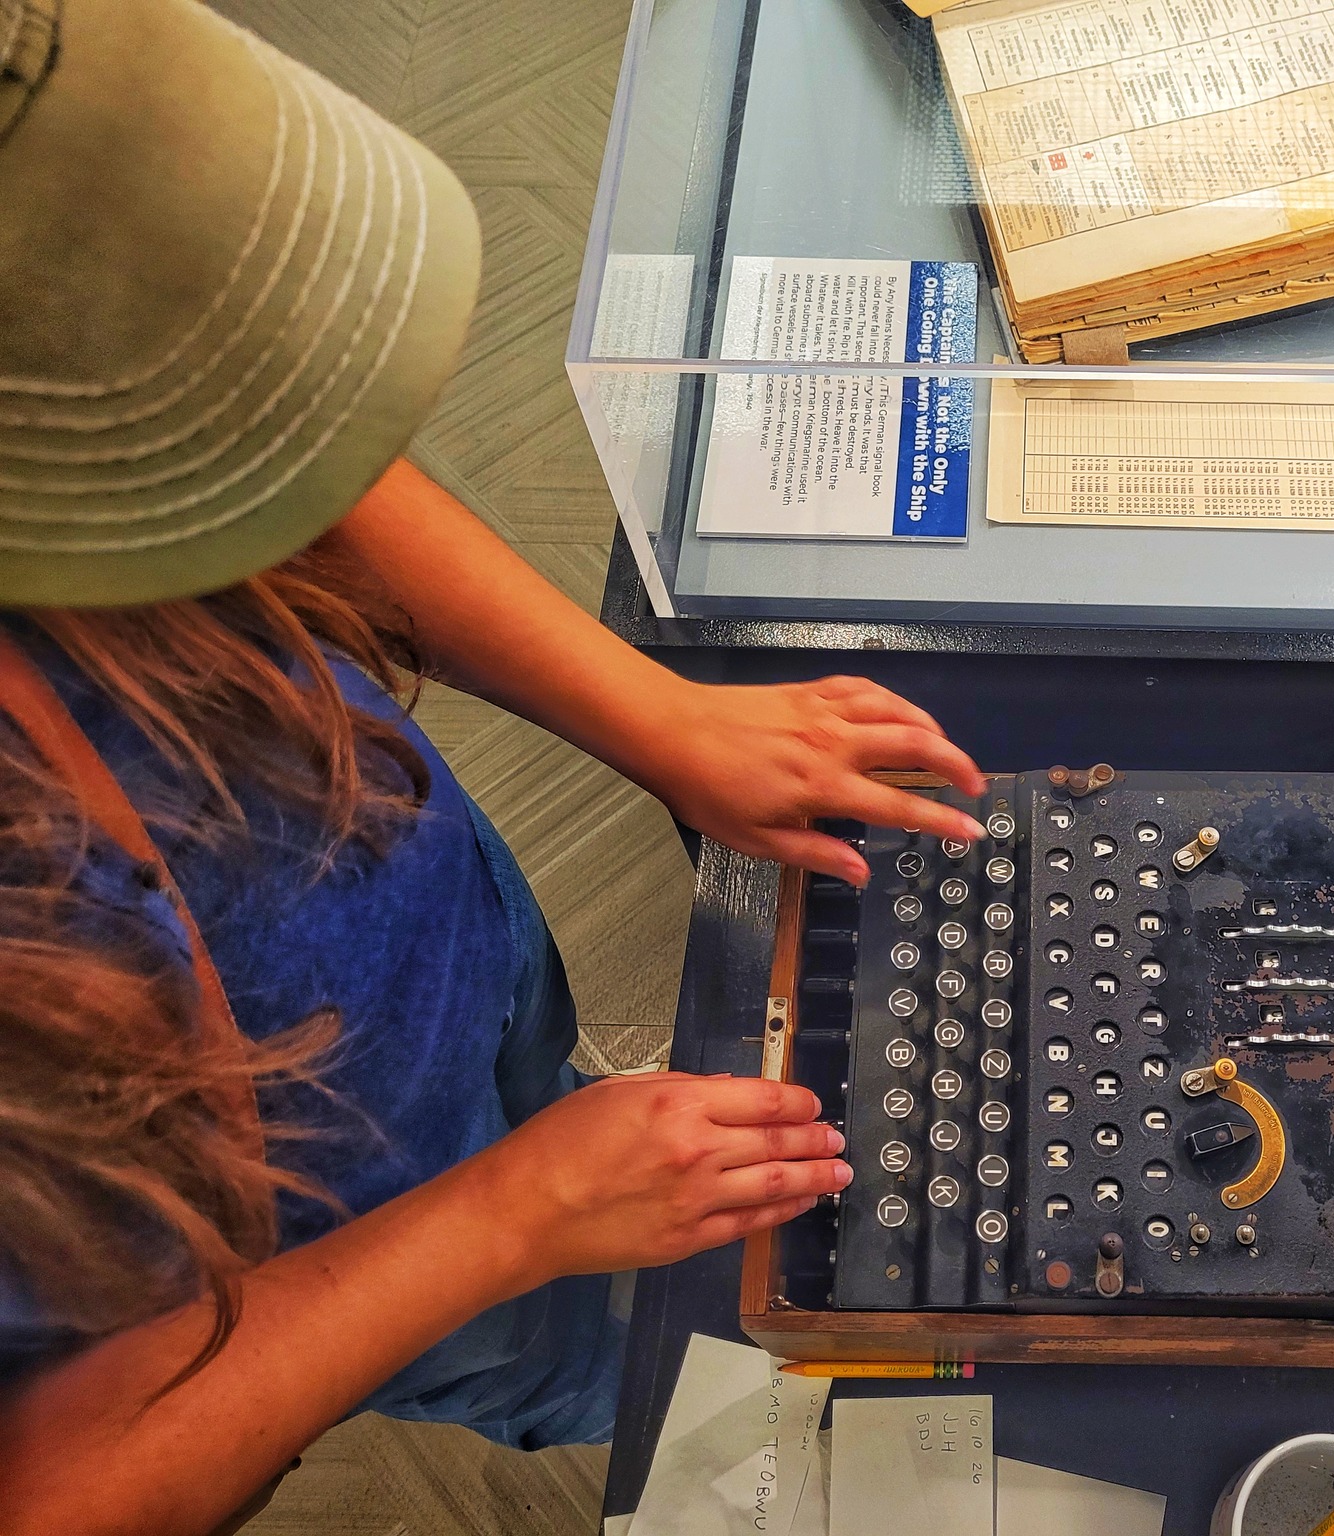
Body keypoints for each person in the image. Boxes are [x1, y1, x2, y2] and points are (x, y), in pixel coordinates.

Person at [0, 2, 987, 1532]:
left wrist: (661, 715)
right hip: (338, 1247)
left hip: (444, 983)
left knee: (563, 1099)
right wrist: (511, 1221)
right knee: (616, 1349)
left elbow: (265, 447)